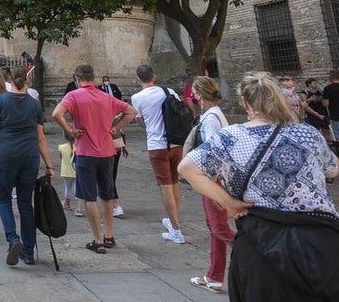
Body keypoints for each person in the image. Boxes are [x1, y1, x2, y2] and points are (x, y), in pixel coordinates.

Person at [178, 72, 339, 302]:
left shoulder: (231, 137)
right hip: (322, 241)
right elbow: (332, 169)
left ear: (246, 103)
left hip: (262, 240)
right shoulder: (307, 132)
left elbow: (186, 167)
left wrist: (228, 202)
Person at [52, 64, 136, 255]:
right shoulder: (106, 97)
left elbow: (56, 113)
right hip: (107, 152)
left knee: (89, 196)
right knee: (107, 194)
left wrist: (70, 130)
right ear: (94, 78)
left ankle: (97, 239)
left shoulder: (74, 95)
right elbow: (131, 111)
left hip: (86, 153)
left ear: (77, 78)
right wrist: (116, 127)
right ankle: (109, 234)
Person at [0, 70, 55, 267]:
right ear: (26, 81)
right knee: (25, 203)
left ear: (9, 81)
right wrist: (49, 164)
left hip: (5, 156)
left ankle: (12, 238)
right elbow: (41, 138)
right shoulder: (34, 104)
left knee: (3, 199)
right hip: (29, 157)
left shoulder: (0, 102)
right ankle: (28, 252)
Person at [185, 76, 234, 294]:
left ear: (201, 93)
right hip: (211, 180)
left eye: (194, 91)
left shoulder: (212, 118)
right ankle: (214, 277)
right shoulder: (211, 115)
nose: (192, 96)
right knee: (215, 229)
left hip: (214, 181)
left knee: (219, 228)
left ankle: (259, 252)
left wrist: (212, 186)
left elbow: (215, 153)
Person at [130, 64, 186, 244]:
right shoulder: (169, 91)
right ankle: (172, 221)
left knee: (165, 186)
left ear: (138, 79)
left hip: (157, 145)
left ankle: (176, 231)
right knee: (175, 181)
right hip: (176, 142)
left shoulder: (137, 97)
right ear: (154, 76)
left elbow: (140, 121)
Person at [300, 77, 330, 142]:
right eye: (314, 83)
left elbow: (325, 103)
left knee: (326, 132)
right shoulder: (305, 93)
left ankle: (329, 146)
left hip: (323, 114)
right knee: (314, 133)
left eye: (316, 83)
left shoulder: (321, 92)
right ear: (309, 84)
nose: (316, 84)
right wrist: (309, 100)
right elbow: (304, 106)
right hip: (311, 116)